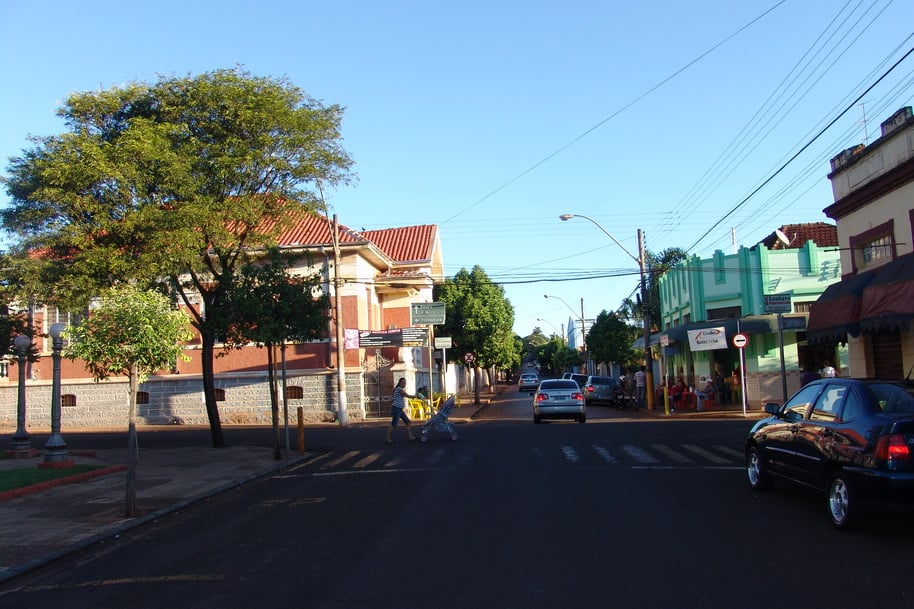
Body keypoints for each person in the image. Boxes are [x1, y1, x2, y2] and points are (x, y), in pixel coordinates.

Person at [386, 378, 417, 444]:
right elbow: (407, 395)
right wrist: (415, 396)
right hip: (396, 409)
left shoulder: (397, 389)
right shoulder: (399, 389)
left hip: (400, 409)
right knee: (394, 424)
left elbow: (393, 399)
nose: (404, 384)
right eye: (403, 382)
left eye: (405, 382)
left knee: (408, 422)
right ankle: (388, 439)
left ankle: (410, 437)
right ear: (399, 383)